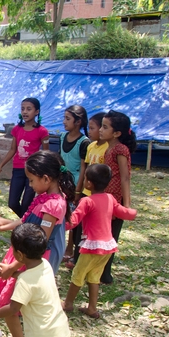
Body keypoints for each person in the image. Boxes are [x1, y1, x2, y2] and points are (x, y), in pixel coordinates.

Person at [0, 151, 74, 337]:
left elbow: (40, 241)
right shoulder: (45, 196)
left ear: (46, 179)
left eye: (32, 180)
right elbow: (28, 221)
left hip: (32, 259)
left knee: (11, 303)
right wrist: (6, 223)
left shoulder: (54, 205)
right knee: (13, 300)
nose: (31, 185)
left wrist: (13, 267)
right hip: (24, 254)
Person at [62, 164, 137, 319]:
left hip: (92, 246)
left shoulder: (86, 201)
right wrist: (132, 213)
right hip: (108, 246)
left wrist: (60, 225)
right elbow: (122, 212)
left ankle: (68, 303)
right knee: (94, 276)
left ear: (88, 183)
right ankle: (92, 308)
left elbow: (74, 220)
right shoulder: (110, 198)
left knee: (78, 274)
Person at [0, 97, 50, 218]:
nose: (25, 112)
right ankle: (28, 221)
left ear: (37, 111)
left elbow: (46, 153)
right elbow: (13, 149)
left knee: (26, 204)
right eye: (23, 109)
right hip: (18, 169)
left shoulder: (42, 131)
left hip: (33, 172)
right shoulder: (17, 129)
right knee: (12, 203)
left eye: (29, 109)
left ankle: (24, 226)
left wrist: (44, 171)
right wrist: (0, 166)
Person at [97, 110, 137, 285]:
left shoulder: (120, 149)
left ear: (117, 133)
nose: (100, 130)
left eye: (105, 127)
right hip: (107, 198)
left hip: (116, 200)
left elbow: (125, 176)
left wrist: (126, 204)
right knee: (104, 232)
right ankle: (100, 269)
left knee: (111, 235)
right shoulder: (109, 147)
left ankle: (105, 273)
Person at [67, 112, 107, 270]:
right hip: (85, 193)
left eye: (93, 128)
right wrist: (78, 191)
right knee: (79, 229)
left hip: (99, 197)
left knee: (92, 229)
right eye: (89, 127)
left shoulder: (108, 149)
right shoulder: (91, 146)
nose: (89, 131)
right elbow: (84, 170)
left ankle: (89, 261)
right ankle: (76, 258)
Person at [58, 105, 90, 263]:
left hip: (75, 183)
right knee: (60, 214)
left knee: (72, 217)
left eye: (68, 119)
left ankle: (70, 248)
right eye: (64, 118)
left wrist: (78, 190)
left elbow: (84, 167)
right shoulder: (62, 136)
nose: (64, 122)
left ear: (78, 122)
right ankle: (59, 245)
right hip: (61, 181)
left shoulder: (84, 142)